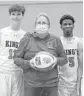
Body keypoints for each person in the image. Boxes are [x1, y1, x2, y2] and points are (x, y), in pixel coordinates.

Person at [13, 13, 67, 96]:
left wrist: (56, 60)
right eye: (39, 23)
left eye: (44, 23)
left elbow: (64, 59)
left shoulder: (55, 39)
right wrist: (29, 63)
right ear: (35, 25)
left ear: (48, 25)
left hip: (51, 85)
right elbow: (16, 59)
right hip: (31, 85)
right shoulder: (27, 39)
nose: (41, 25)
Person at [0, 4, 26, 96]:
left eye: (18, 14)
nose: (15, 17)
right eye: (13, 14)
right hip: (3, 72)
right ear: (9, 15)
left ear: (22, 15)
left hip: (18, 72)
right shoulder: (2, 32)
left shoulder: (25, 36)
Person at [58, 14, 83, 96]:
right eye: (65, 24)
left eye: (70, 24)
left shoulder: (79, 42)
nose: (68, 26)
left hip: (75, 82)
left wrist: (79, 83)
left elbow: (80, 65)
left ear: (73, 26)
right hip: (61, 83)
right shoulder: (58, 42)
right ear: (61, 27)